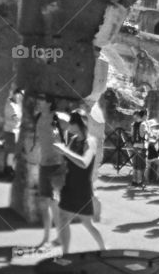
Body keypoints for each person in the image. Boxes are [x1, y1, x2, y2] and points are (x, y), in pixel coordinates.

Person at [53, 109, 104, 255]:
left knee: (87, 223)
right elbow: (68, 160)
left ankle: (103, 249)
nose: (68, 126)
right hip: (69, 185)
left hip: (81, 188)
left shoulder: (90, 142)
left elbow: (84, 163)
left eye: (71, 123)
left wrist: (64, 151)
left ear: (78, 124)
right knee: (63, 219)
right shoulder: (74, 139)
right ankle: (65, 253)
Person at [31, 94, 65, 249]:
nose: (38, 101)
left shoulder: (57, 118)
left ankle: (59, 237)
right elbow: (39, 140)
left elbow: (61, 137)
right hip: (43, 165)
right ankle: (46, 238)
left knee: (54, 203)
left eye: (42, 99)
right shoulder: (38, 118)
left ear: (49, 102)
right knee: (44, 203)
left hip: (56, 166)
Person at [3, 89, 23, 177]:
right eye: (19, 94)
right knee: (11, 151)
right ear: (15, 94)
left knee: (12, 151)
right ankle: (8, 169)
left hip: (15, 131)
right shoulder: (10, 105)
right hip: (10, 131)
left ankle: (10, 168)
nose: (21, 96)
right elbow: (16, 118)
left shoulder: (17, 104)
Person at [129, 109, 149, 188]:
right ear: (144, 116)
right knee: (141, 164)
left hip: (134, 146)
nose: (147, 117)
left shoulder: (133, 124)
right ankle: (140, 181)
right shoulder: (143, 124)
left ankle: (134, 180)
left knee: (135, 164)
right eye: (146, 115)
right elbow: (146, 134)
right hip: (141, 146)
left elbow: (131, 135)